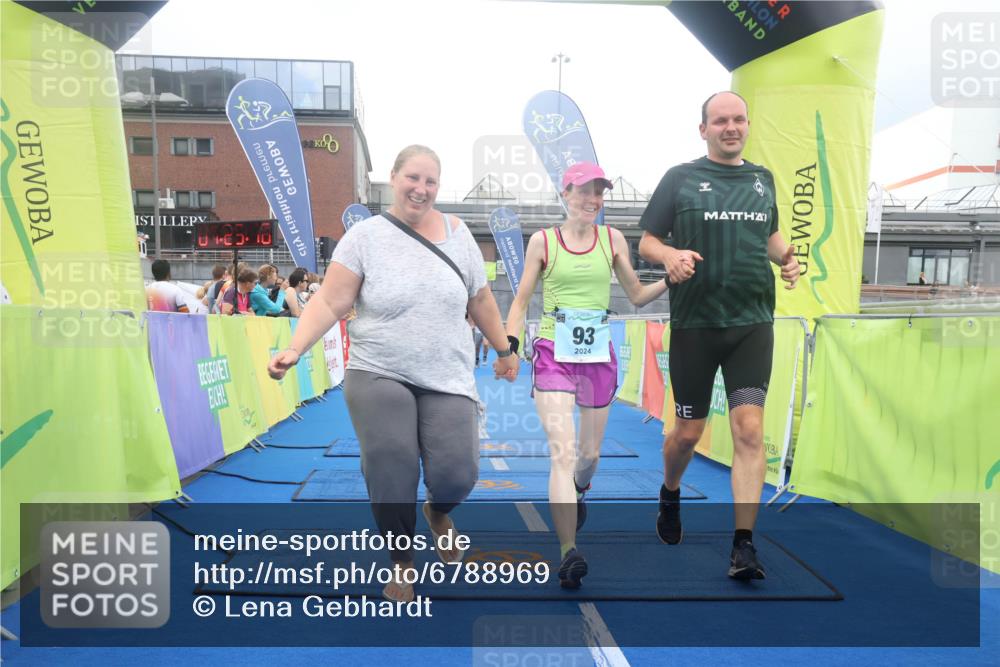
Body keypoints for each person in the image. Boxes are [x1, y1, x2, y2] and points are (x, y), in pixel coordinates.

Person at [268, 145, 519, 602]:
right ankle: (401, 560)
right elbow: (329, 301)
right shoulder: (365, 237)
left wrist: (505, 349)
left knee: (457, 473)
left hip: (447, 374)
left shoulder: (460, 235)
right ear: (394, 177)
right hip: (378, 369)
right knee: (392, 461)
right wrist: (294, 348)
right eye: (413, 178)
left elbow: (480, 300)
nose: (421, 189)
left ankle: (438, 511)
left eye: (431, 182)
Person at [638, 91, 801, 580]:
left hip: (752, 323)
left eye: (738, 119)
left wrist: (787, 258)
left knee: (749, 430)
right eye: (720, 121)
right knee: (688, 433)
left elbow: (768, 236)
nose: (731, 127)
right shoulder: (680, 178)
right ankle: (671, 492)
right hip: (696, 325)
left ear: (748, 125)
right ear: (703, 128)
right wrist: (668, 257)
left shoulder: (762, 179)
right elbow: (646, 239)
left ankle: (744, 546)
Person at [502, 162, 669, 589]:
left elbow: (635, 295)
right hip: (553, 353)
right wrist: (510, 347)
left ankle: (580, 490)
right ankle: (568, 551)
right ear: (566, 194)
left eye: (598, 192)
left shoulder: (612, 239)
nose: (591, 199)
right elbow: (520, 301)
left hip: (597, 357)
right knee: (563, 450)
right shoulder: (543, 242)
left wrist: (671, 278)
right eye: (583, 191)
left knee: (589, 456)